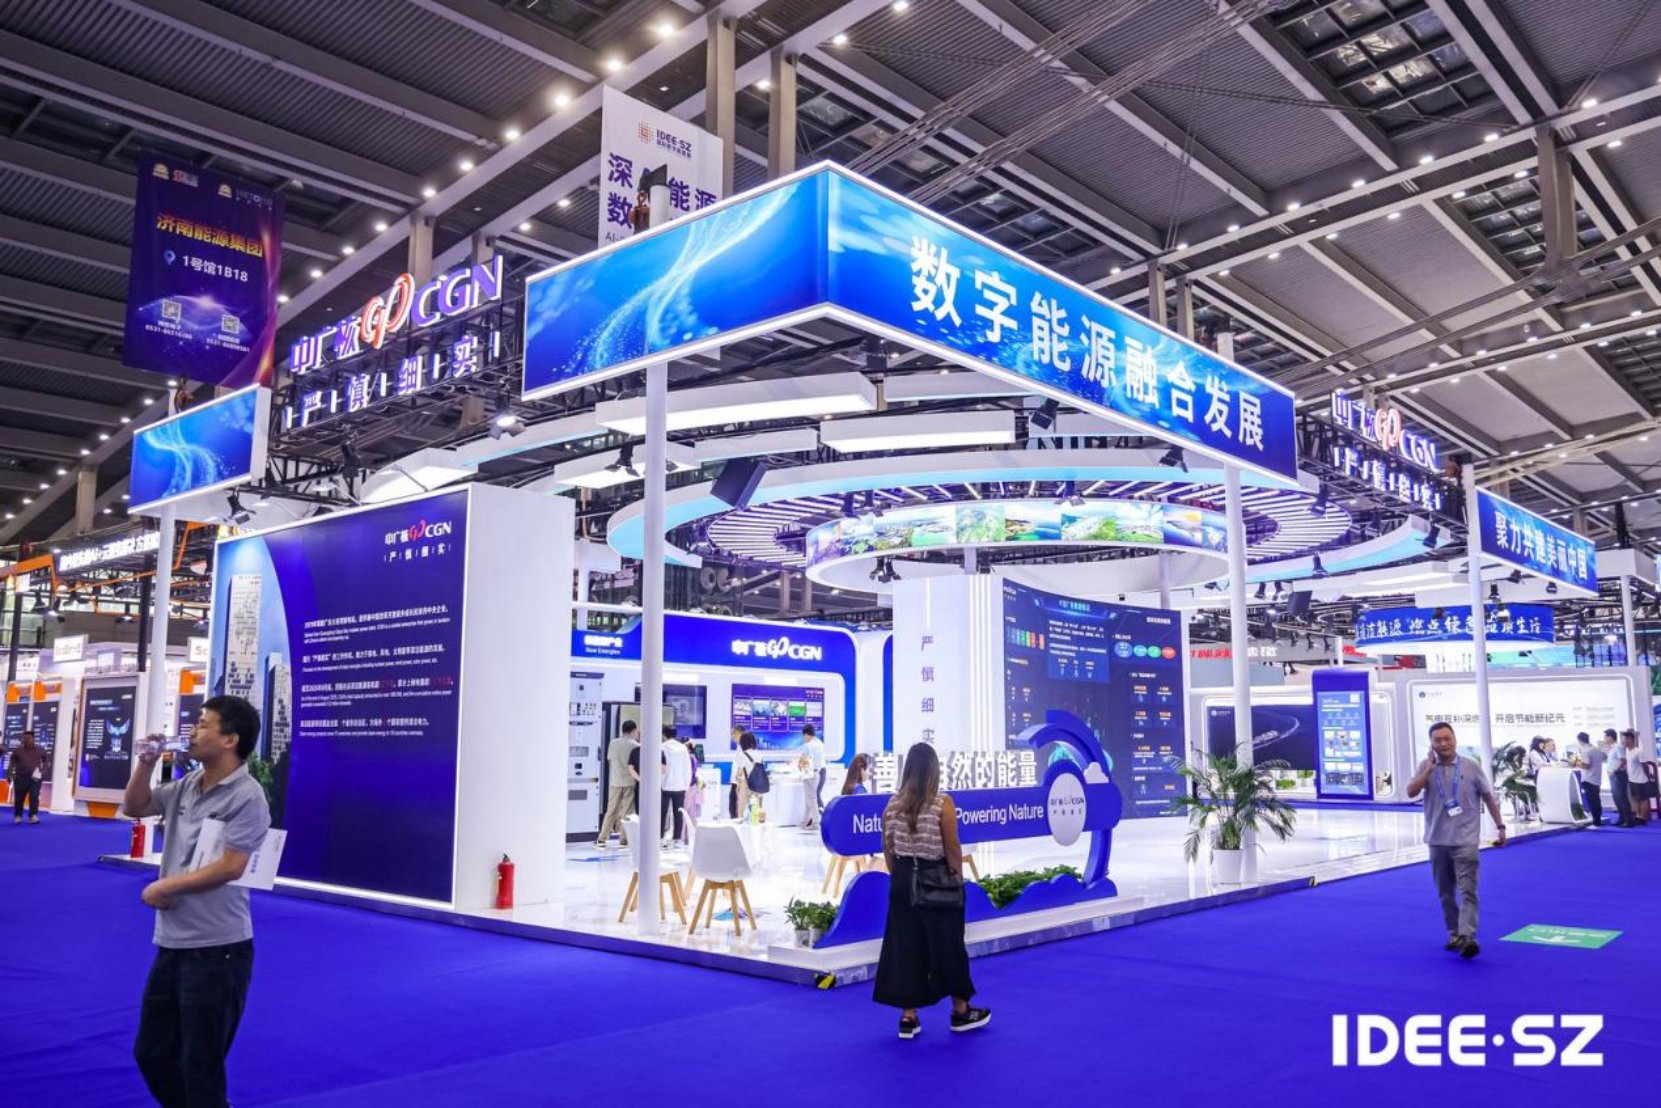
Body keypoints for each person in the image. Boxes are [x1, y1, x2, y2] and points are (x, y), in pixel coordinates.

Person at [123, 695, 271, 1107]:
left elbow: (231, 866)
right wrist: (146, 763)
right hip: (172, 943)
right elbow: (134, 806)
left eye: (203, 724)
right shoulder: (188, 784)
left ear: (229, 740)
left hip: (219, 949)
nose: (192, 731)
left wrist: (166, 887)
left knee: (200, 1065)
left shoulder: (247, 796)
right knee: (151, 1054)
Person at [873, 742, 990, 1038]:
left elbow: (888, 849)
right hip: (936, 882)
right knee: (949, 947)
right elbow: (952, 848)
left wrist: (902, 877)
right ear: (933, 770)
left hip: (902, 884)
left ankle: (908, 1017)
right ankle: (960, 1010)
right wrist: (956, 880)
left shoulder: (892, 805)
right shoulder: (942, 804)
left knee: (905, 947)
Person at [1406, 721, 1507, 960]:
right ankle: (1454, 934)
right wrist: (1428, 770)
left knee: (1468, 890)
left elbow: (1488, 797)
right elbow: (1410, 792)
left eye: (1447, 739)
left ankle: (1468, 936)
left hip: (1466, 841)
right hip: (1437, 841)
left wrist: (1500, 826)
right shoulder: (1425, 767)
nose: (1443, 744)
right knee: (1445, 892)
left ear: (1455, 740)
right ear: (1431, 744)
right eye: (1437, 740)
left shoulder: (1471, 767)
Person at [595, 720, 639, 849]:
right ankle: (623, 839)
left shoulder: (613, 743)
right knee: (627, 812)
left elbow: (610, 761)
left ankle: (602, 838)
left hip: (615, 781)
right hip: (630, 782)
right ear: (633, 731)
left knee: (611, 810)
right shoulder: (636, 745)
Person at [662, 725, 692, 844]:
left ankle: (660, 836)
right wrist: (686, 784)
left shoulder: (661, 747)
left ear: (664, 735)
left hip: (664, 784)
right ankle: (677, 838)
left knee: (662, 813)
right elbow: (687, 767)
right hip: (680, 785)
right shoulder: (683, 748)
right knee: (678, 813)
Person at [1569, 731, 1605, 827]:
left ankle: (1596, 821)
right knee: (1596, 800)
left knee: (1592, 801)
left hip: (1588, 778)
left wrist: (1575, 762)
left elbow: (1586, 765)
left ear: (1579, 740)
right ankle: (1598, 819)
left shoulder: (1585, 750)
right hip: (1596, 778)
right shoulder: (1596, 749)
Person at [9, 728, 44, 824]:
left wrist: (43, 771)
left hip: (35, 779)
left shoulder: (40, 750)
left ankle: (33, 815)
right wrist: (10, 775)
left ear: (33, 739)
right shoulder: (17, 750)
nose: (26, 740)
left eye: (28, 738)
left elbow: (46, 761)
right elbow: (11, 764)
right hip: (20, 778)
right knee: (19, 798)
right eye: (24, 738)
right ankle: (18, 816)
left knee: (34, 797)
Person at [1622, 729, 1655, 823]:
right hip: (1631, 779)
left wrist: (1648, 777)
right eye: (1623, 739)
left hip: (1641, 779)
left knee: (1643, 799)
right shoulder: (1626, 751)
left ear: (1631, 739)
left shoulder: (1638, 751)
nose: (1624, 741)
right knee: (1635, 798)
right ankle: (1638, 815)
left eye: (1625, 739)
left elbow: (1645, 765)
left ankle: (1643, 817)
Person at [1605, 728, 1635, 826]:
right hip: (1613, 775)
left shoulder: (1618, 747)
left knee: (1622, 798)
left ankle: (1628, 820)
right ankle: (1622, 819)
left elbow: (1623, 761)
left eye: (1605, 737)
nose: (1604, 739)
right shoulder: (1612, 748)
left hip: (1618, 775)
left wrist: (1615, 770)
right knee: (1617, 798)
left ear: (1610, 737)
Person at [799, 724, 827, 829]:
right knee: (810, 798)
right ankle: (804, 821)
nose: (804, 738)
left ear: (806, 734)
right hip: (817, 773)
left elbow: (802, 761)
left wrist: (799, 765)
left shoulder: (807, 746)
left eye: (804, 736)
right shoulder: (820, 744)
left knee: (811, 799)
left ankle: (815, 823)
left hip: (809, 774)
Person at [732, 732, 761, 820]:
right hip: (757, 783)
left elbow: (739, 773)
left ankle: (741, 821)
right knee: (755, 805)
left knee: (741, 805)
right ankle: (755, 821)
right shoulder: (759, 753)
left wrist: (737, 782)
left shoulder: (743, 755)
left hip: (746, 783)